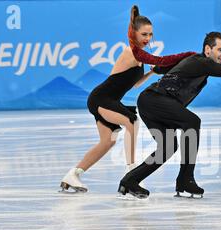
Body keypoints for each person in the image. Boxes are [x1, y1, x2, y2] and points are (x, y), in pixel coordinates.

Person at [118, 31, 221, 199]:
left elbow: (167, 69)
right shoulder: (201, 62)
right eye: (220, 50)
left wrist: (157, 70)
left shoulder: (198, 65)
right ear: (207, 49)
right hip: (154, 100)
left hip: (150, 102)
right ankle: (185, 180)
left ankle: (130, 180)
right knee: (192, 122)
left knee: (168, 147)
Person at [60, 5, 195, 193]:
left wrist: (150, 73)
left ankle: (73, 174)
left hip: (107, 101)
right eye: (144, 35)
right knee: (131, 121)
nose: (148, 39)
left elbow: (135, 84)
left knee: (107, 142)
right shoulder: (131, 52)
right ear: (134, 33)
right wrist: (188, 55)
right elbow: (162, 60)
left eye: (150, 35)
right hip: (101, 99)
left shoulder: (138, 56)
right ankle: (131, 171)